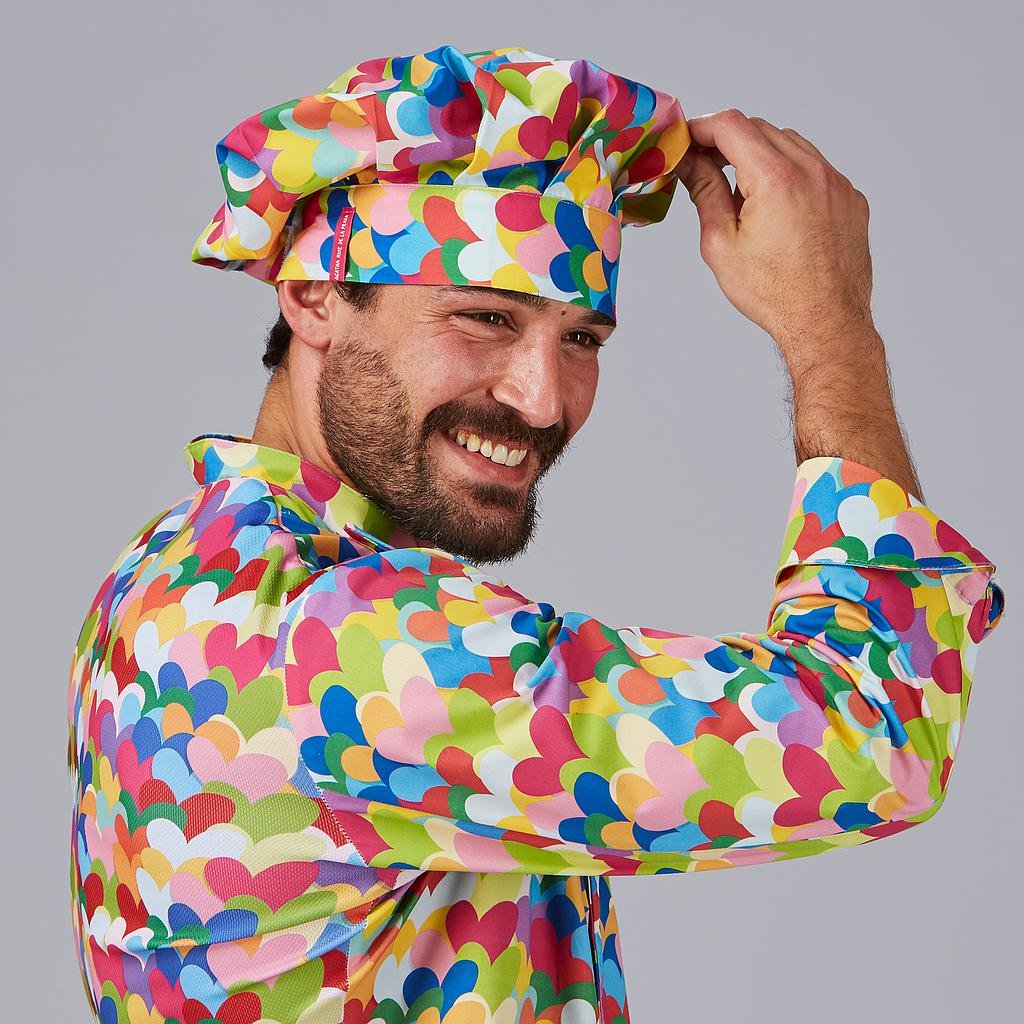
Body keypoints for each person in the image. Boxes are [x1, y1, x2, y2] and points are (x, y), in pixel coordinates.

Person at [67, 43, 1005, 1024]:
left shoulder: (166, 567)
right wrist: (830, 324)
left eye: (581, 338)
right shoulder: (339, 641)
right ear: (314, 297)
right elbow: (872, 730)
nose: (543, 399)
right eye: (484, 318)